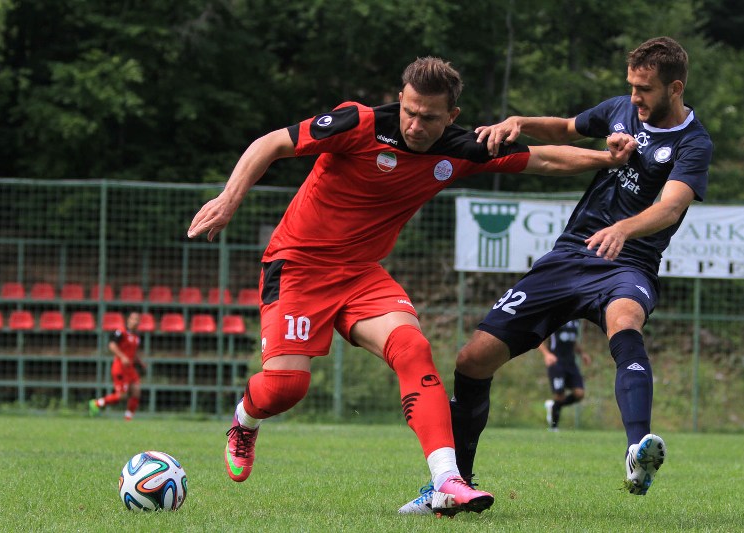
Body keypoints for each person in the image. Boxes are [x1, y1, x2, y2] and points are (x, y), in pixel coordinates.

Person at [187, 56, 635, 517]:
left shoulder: (461, 148)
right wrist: (228, 199)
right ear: (401, 98)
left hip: (362, 274)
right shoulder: (358, 123)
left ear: (452, 116)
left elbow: (539, 158)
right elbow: (270, 143)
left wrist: (607, 158)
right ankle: (244, 420)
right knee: (286, 388)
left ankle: (447, 480)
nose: (417, 124)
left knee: (413, 349)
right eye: (410, 112)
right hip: (299, 267)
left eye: (430, 117)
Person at [400, 37, 712, 513]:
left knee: (625, 322)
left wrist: (624, 229)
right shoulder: (620, 111)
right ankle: (452, 486)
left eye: (644, 89)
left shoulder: (694, 142)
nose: (634, 98)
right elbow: (567, 128)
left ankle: (636, 449)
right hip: (568, 257)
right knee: (472, 361)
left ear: (675, 87)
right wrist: (519, 122)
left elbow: (671, 206)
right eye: (630, 86)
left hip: (627, 261)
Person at [89, 311, 145, 421]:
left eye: (137, 320)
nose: (135, 322)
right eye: (133, 319)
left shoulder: (136, 337)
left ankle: (128, 418)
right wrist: (122, 357)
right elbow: (112, 345)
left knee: (136, 391)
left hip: (131, 369)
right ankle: (97, 403)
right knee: (121, 396)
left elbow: (133, 352)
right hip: (120, 368)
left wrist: (140, 362)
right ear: (128, 320)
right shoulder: (121, 332)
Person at [539, 320, 591, 431]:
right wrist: (546, 354)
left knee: (579, 393)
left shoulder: (575, 320)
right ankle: (553, 427)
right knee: (559, 396)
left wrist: (582, 354)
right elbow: (539, 338)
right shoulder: (554, 317)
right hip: (556, 362)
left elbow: (572, 340)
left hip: (570, 362)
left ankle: (553, 406)